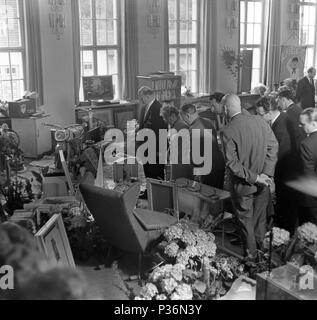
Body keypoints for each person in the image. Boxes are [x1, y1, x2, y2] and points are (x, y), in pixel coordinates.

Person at [221, 94, 278, 258]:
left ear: (225, 109)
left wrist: (255, 178)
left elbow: (234, 165)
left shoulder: (227, 131)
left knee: (246, 224)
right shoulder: (260, 121)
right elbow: (273, 147)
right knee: (260, 222)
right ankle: (262, 258)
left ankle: (251, 262)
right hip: (263, 184)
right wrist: (266, 174)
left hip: (243, 187)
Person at [260, 95, 295, 231]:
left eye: (260, 114)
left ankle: (285, 235)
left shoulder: (280, 127)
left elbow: (280, 155)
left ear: (269, 113)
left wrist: (270, 175)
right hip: (284, 170)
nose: (259, 117)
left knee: (285, 206)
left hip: (285, 171)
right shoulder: (280, 119)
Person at [180, 104, 225, 190]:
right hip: (219, 163)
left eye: (182, 117)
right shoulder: (208, 121)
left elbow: (195, 156)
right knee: (219, 194)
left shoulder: (193, 129)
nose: (183, 120)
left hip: (207, 168)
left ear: (187, 116)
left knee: (208, 195)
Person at [138, 86, 168, 181]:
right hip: (146, 146)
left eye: (141, 97)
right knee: (148, 171)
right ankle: (149, 191)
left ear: (147, 96)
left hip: (156, 148)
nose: (140, 99)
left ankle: (157, 193)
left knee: (156, 173)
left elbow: (162, 130)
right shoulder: (145, 107)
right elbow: (144, 125)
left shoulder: (159, 108)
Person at [160, 103, 192, 181]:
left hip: (181, 164)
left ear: (173, 116)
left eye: (167, 118)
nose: (166, 120)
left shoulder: (181, 126)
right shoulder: (174, 125)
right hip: (176, 162)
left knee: (178, 185)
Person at [298, 108, 317, 225]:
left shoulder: (306, 144)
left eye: (303, 124)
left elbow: (308, 175)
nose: (300, 126)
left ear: (314, 123)